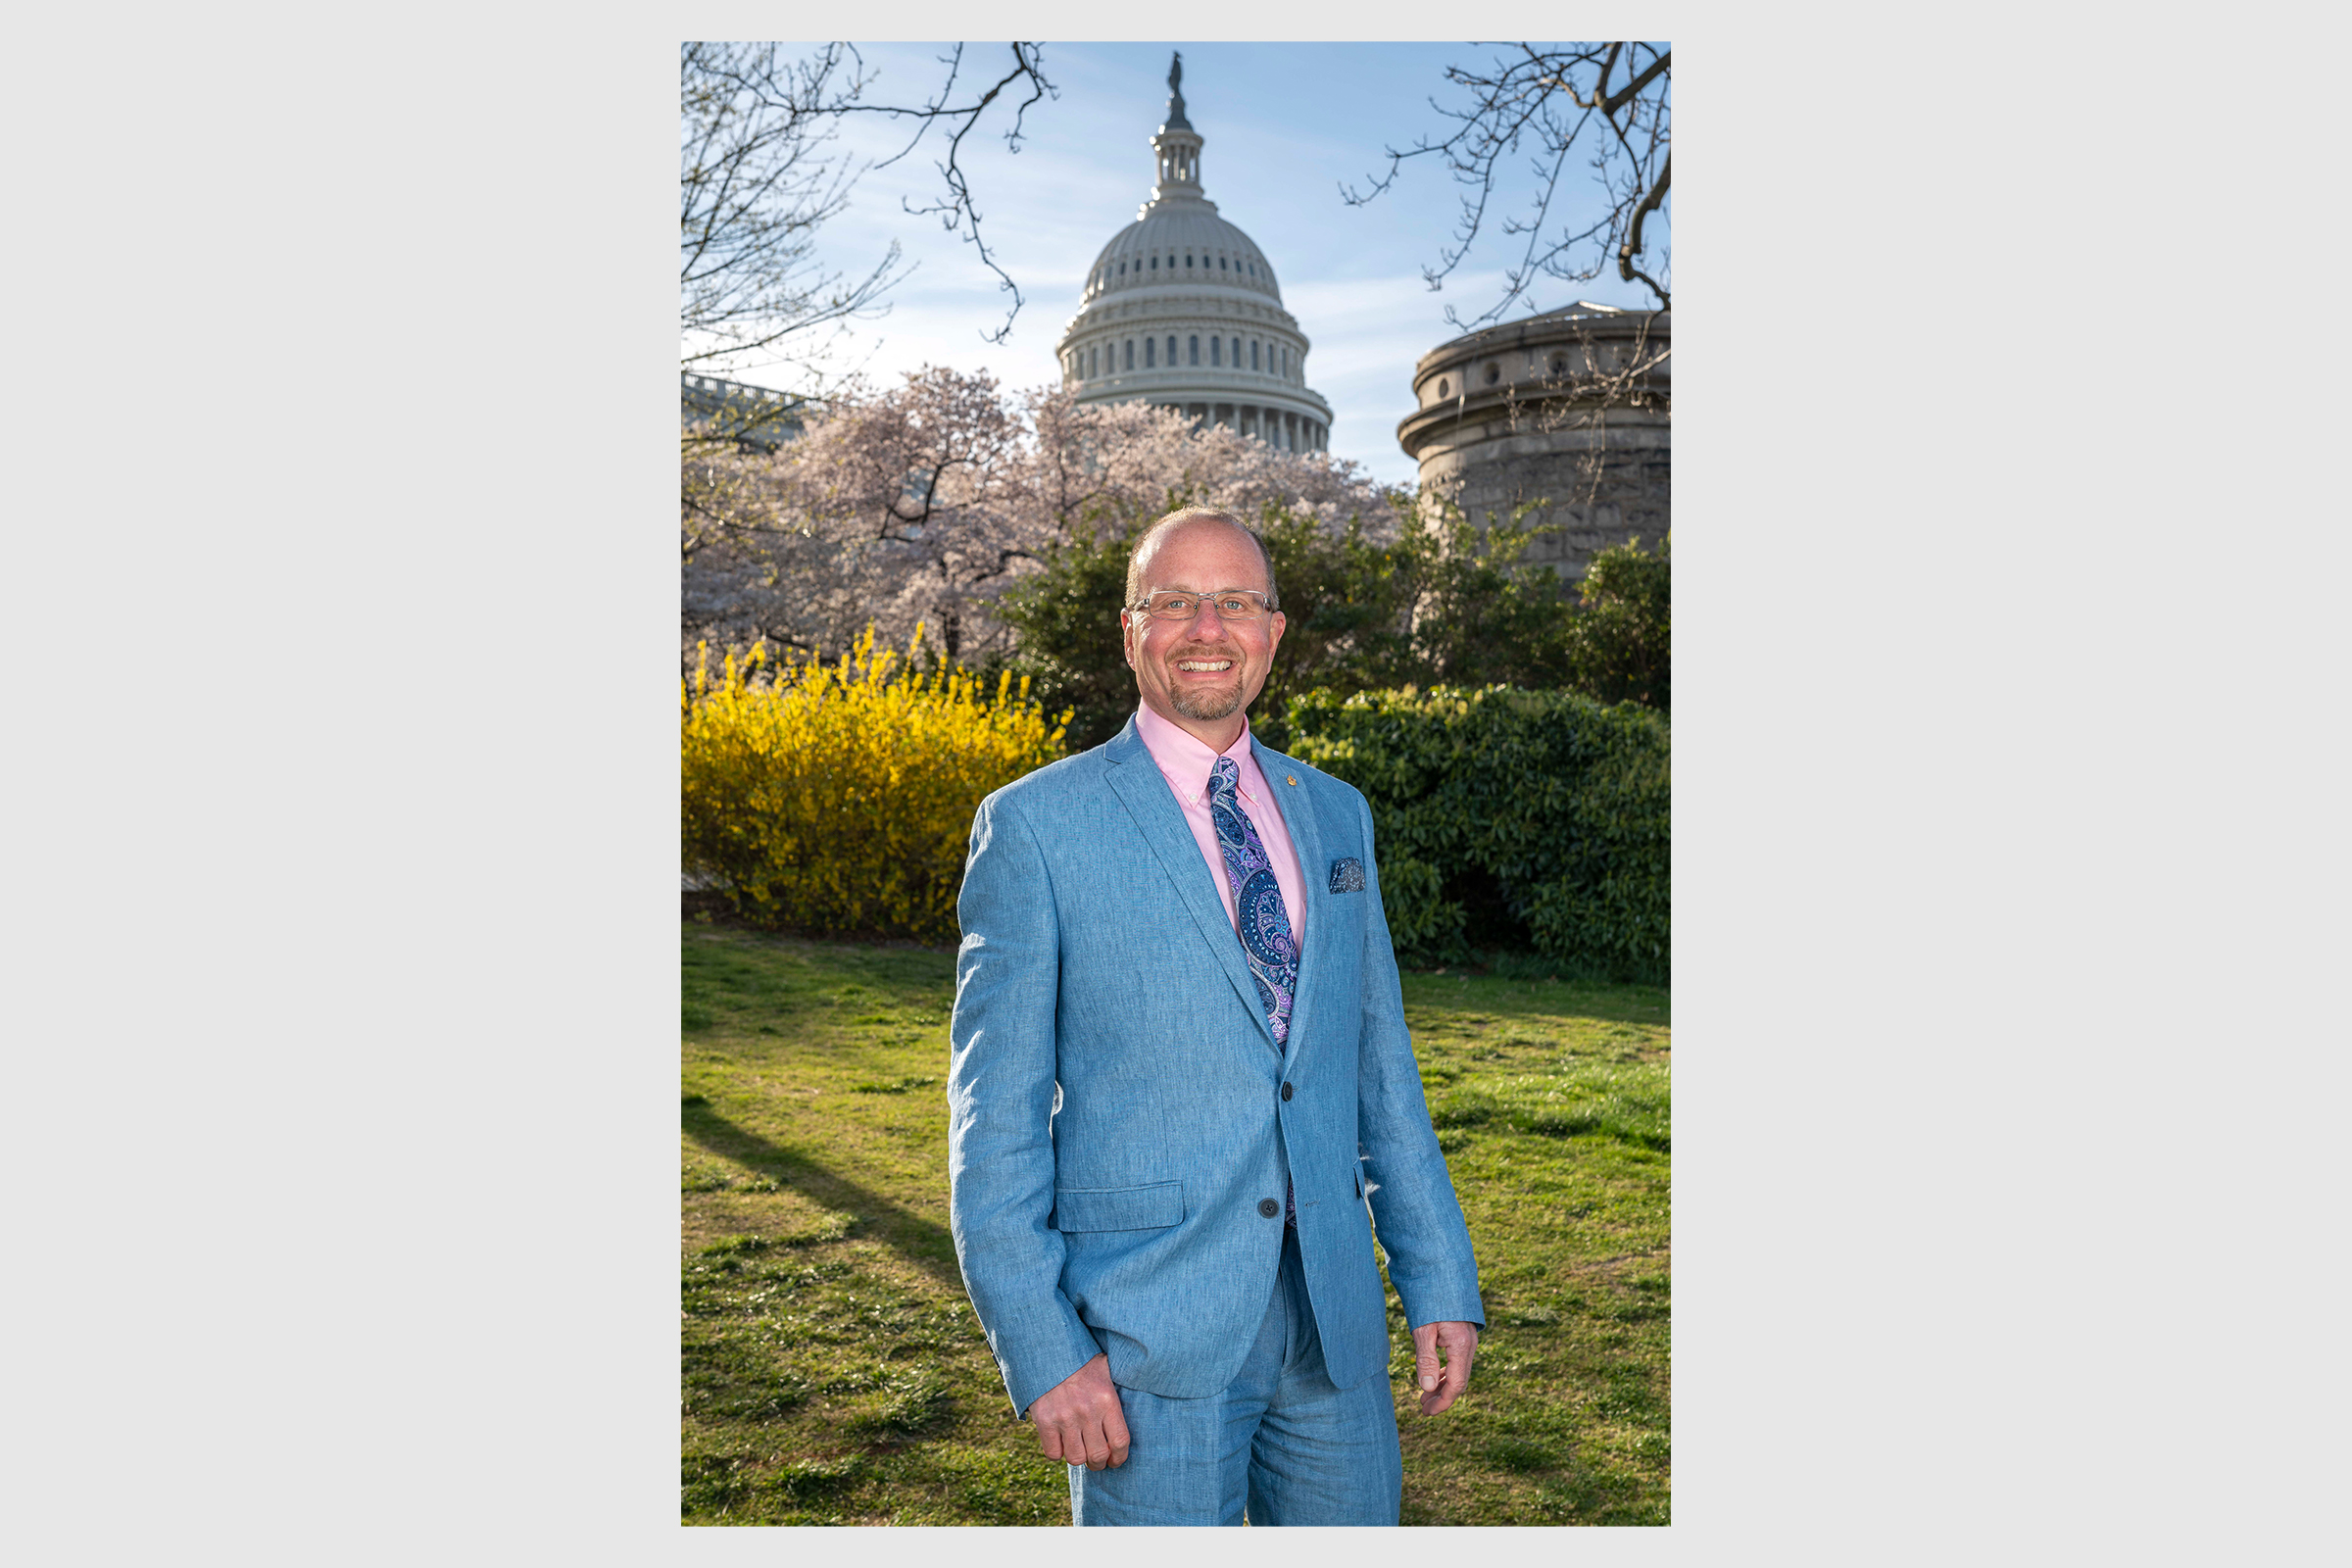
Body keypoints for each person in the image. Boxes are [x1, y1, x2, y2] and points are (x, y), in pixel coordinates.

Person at [947, 507, 1483, 1527]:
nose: (1206, 626)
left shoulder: (1336, 813)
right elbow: (994, 1117)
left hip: (1332, 1332)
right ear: (1130, 628)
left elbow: (1378, 1068)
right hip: (1144, 1336)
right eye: (1174, 601)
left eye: (1233, 601)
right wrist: (1044, 1348)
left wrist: (1439, 1275)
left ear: (1273, 630)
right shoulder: (1035, 826)